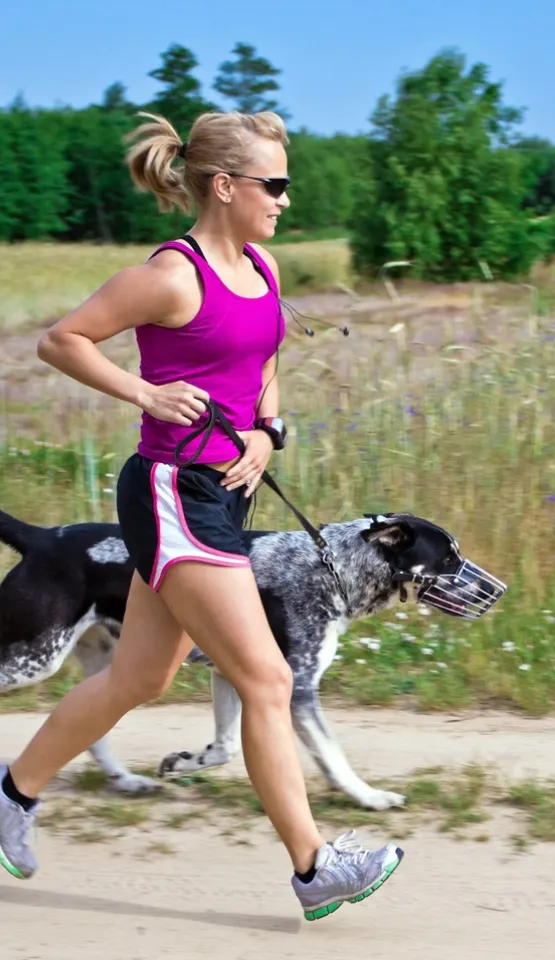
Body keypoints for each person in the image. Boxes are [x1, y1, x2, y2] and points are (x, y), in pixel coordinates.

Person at [0, 110, 403, 921]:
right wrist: (144, 393)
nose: (286, 199)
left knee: (142, 677)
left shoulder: (263, 267)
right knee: (267, 677)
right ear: (225, 186)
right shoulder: (172, 275)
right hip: (172, 497)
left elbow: (265, 362)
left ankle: (11, 794)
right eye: (276, 184)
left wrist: (266, 430)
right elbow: (63, 340)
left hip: (229, 495)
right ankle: (314, 865)